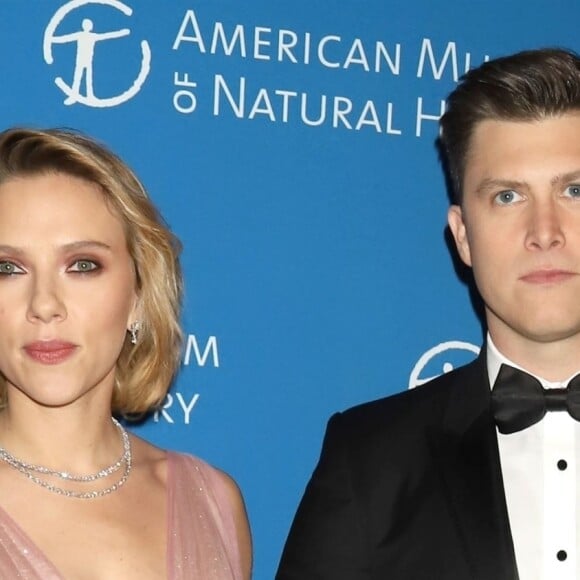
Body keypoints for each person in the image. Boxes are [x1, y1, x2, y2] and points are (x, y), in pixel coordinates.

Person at [276, 47, 580, 580]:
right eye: (508, 196)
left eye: (575, 190)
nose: (545, 232)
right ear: (463, 236)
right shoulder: (368, 462)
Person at [0, 127, 252, 579]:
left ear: (138, 293)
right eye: (8, 269)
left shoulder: (213, 501)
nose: (44, 305)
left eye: (82, 265)